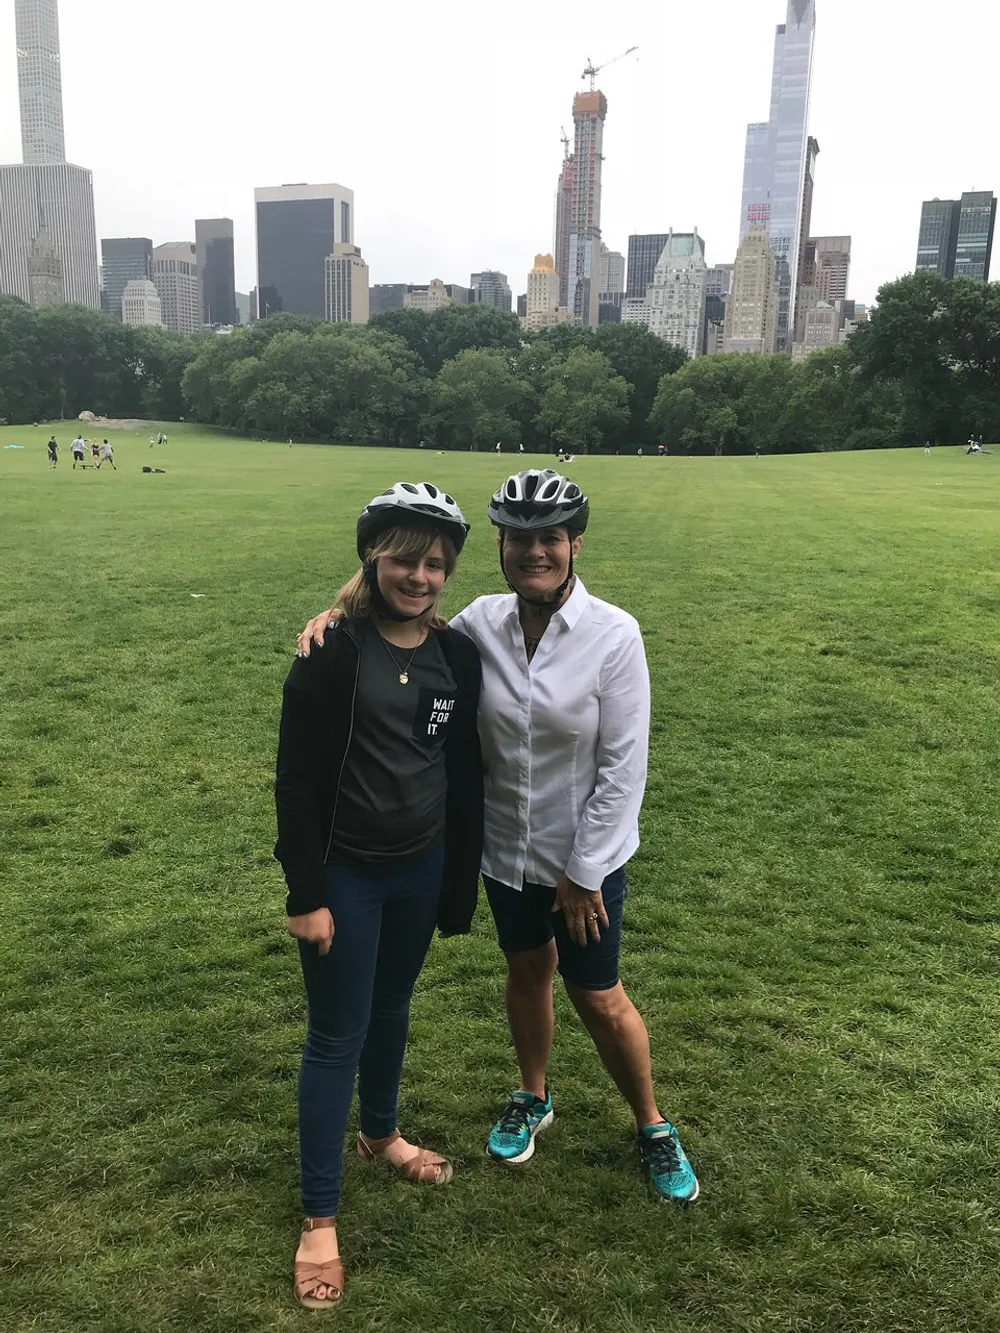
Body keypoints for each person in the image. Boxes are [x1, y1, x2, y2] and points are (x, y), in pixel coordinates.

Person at [298, 470, 700, 1205]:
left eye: (550, 537)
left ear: (574, 544)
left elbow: (623, 769)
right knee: (526, 972)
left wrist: (582, 873)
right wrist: (332, 615)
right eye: (520, 538)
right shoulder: (480, 622)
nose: (535, 551)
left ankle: (652, 1124)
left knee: (599, 992)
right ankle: (532, 1094)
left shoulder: (614, 634)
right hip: (505, 852)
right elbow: (401, 625)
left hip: (582, 859)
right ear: (501, 546)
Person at [277, 483, 484, 1310]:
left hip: (419, 868)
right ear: (374, 555)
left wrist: (454, 882)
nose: (421, 575)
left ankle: (382, 1132)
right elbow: (294, 783)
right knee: (336, 1034)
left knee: (393, 1006)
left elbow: (460, 771)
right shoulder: (331, 650)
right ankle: (319, 1216)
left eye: (436, 563)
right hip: (345, 877)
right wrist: (307, 892)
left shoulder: (456, 654)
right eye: (405, 557)